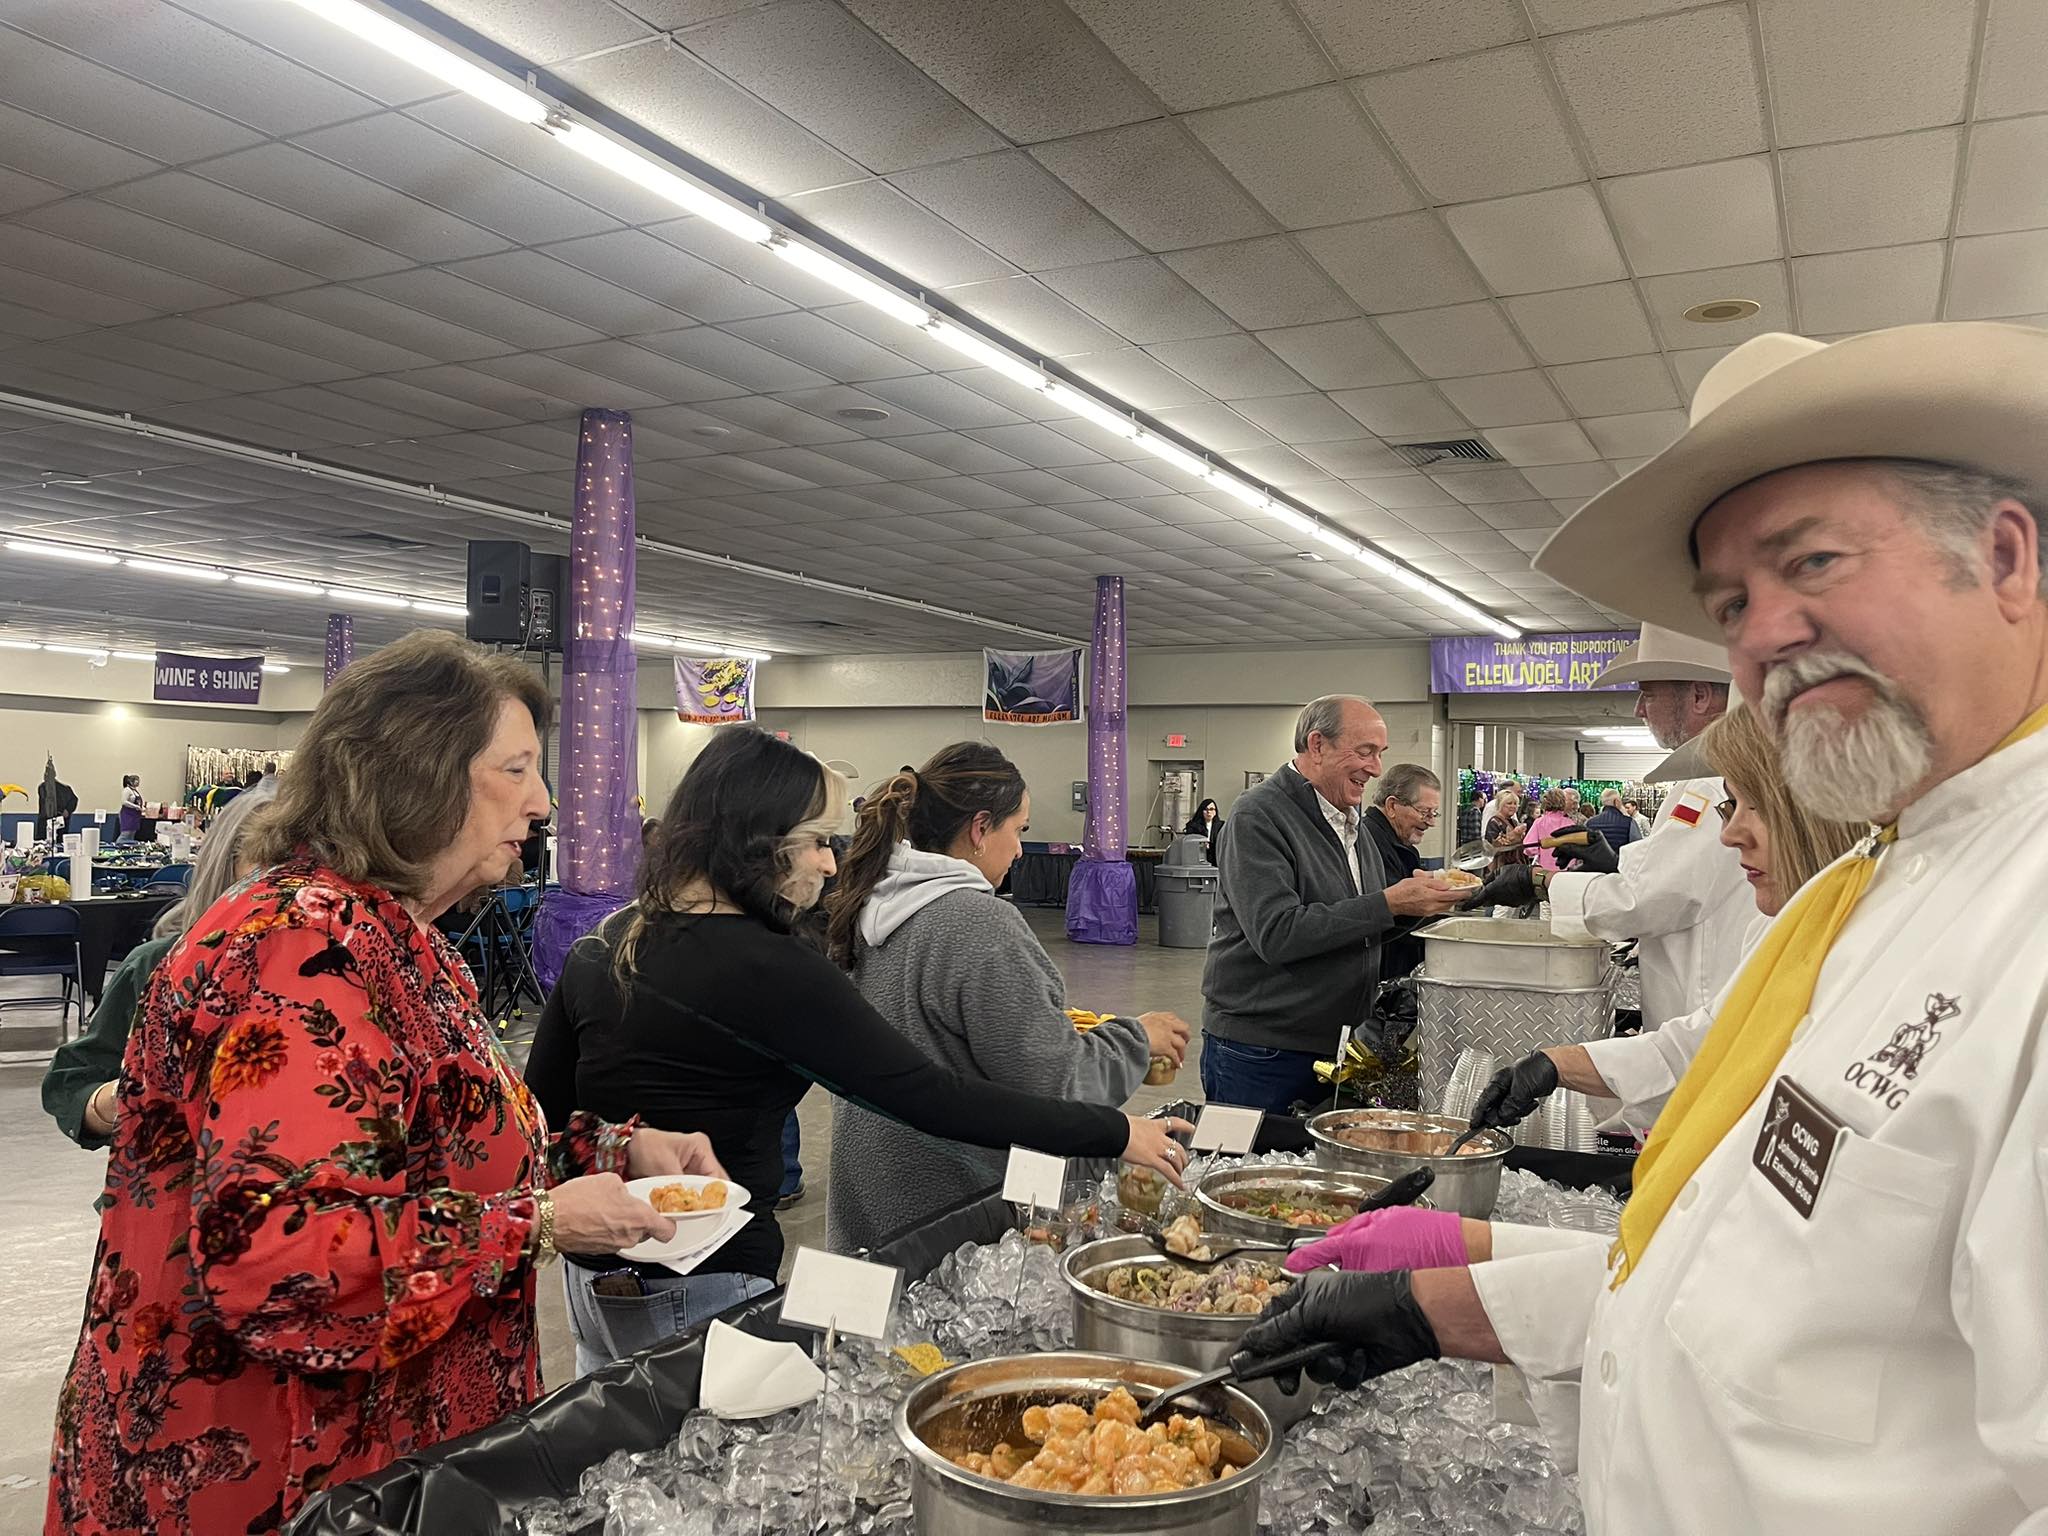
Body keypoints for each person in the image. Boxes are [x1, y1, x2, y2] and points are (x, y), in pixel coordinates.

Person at [1235, 322, 2048, 1535]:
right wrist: (1439, 1310)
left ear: (2003, 558)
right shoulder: (1878, 890)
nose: (1763, 638)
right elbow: (1740, 1295)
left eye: (1813, 562)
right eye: (1731, 602)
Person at [45, 631, 724, 1536]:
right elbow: (281, 1259)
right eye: (516, 769)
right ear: (420, 776)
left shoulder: (395, 937)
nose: (544, 801)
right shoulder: (298, 951)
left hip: (373, 1452)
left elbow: (432, 1143)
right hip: (270, 1471)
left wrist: (609, 1151)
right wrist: (546, 1222)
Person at [525, 727, 1191, 1373]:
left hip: (591, 1282)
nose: (828, 862)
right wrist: (1112, 1129)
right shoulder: (767, 968)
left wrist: (626, 1153)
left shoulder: (611, 937)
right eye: (814, 842)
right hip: (703, 1282)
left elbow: (539, 1124)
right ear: (761, 846)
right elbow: (931, 1099)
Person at [822, 745, 1190, 1254]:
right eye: (1018, 829)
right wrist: (1136, 1037)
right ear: (979, 829)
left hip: (870, 1206)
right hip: (946, 1217)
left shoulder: (878, 905)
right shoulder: (978, 923)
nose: (1021, 849)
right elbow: (1056, 1082)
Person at [1461, 703, 1865, 1138]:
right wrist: (1557, 1065)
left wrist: (1542, 883)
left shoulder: (1862, 945)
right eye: (1733, 807)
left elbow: (1653, 897)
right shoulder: (1776, 928)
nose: (1729, 835)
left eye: (1759, 807)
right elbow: (1705, 1040)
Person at [1468, 625, 1754, 1031]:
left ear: (1699, 695)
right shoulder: (1709, 776)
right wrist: (1617, 862)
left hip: (1703, 1008)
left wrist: (1540, 882)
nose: (1639, 708)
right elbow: (1681, 878)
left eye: (1648, 693)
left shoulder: (1709, 783)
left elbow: (1647, 900)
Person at [1199, 695, 1466, 1113]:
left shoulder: (1348, 820)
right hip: (1261, 1051)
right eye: (1364, 752)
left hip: (1335, 1042)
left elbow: (1357, 924)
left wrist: (1417, 907)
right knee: (1255, 1173)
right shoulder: (1259, 815)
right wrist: (1388, 902)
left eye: (1380, 754)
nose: (1376, 768)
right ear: (1317, 745)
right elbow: (1277, 933)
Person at [42, 777, 280, 1148]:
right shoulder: (158, 964)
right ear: (225, 866)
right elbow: (73, 1082)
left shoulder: (352, 976)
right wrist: (135, 1093)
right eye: (269, 864)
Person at [1362, 764, 1441, 982]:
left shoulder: (1397, 844)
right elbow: (1390, 916)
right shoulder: (1369, 844)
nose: (1431, 822)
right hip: (1381, 976)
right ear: (1392, 806)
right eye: (1425, 812)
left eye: (1434, 813)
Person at [1521, 787, 1576, 873]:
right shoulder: (1570, 823)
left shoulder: (1539, 822)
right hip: (1567, 869)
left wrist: (1540, 852)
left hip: (1546, 870)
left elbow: (1529, 846)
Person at [1483, 788, 1527, 871]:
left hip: (1515, 866)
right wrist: (1514, 835)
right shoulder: (1494, 822)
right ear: (1501, 805)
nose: (1513, 806)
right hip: (1500, 867)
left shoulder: (1514, 822)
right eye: (1509, 803)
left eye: (1515, 804)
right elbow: (1493, 847)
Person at [117, 774, 144, 840]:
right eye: (136, 780)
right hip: (127, 815)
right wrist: (135, 806)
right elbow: (124, 802)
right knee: (126, 833)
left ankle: (128, 848)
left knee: (132, 834)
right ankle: (118, 845)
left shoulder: (135, 791)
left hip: (135, 815)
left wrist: (142, 808)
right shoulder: (127, 790)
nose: (138, 782)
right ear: (131, 781)